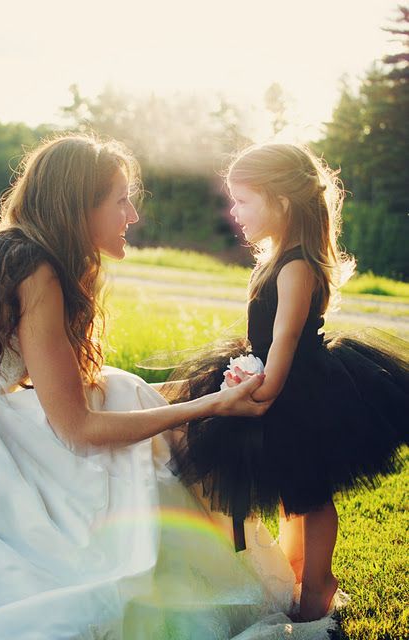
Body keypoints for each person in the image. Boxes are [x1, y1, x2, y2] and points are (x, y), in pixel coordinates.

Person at [0, 134, 343, 639]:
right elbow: (78, 429)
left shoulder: (26, 254)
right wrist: (210, 404)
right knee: (120, 426)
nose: (133, 215)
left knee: (119, 388)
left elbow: (57, 385)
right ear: (78, 207)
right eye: (120, 200)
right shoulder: (33, 268)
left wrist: (194, 399)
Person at [166, 142, 409, 623]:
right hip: (277, 383)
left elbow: (285, 339)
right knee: (288, 488)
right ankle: (295, 567)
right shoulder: (275, 259)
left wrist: (264, 386)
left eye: (243, 200)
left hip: (303, 394)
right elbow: (263, 334)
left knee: (311, 492)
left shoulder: (298, 266)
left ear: (280, 201)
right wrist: (243, 368)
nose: (233, 211)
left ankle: (317, 580)